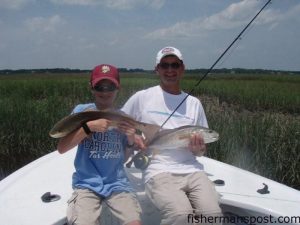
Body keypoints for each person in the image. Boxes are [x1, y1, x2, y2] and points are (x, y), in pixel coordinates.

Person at [121, 47, 222, 225]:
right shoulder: (143, 97)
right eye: (165, 65)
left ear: (182, 68)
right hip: (158, 169)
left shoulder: (194, 103)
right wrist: (134, 137)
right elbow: (120, 122)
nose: (170, 70)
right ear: (157, 69)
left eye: (175, 65)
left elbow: (200, 152)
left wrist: (198, 149)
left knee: (212, 215)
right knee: (180, 214)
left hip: (193, 170)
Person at [57, 64, 142, 225]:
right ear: (91, 87)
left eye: (110, 86)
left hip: (117, 182)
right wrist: (89, 127)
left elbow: (123, 158)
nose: (105, 91)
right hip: (86, 183)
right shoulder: (82, 112)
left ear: (118, 88)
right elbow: (62, 148)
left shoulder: (123, 117)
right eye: (99, 86)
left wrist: (131, 139)